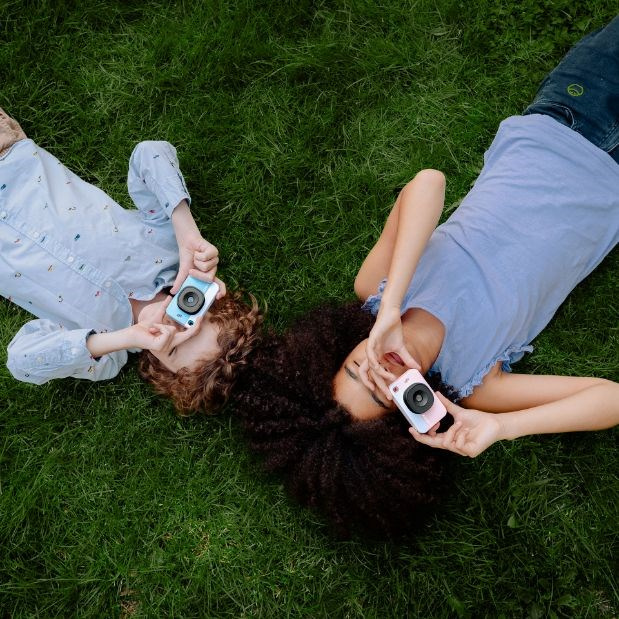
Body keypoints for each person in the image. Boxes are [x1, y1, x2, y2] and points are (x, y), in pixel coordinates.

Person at [234, 17, 619, 537]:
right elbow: (610, 398)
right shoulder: (478, 383)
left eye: (358, 370)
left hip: (566, 117)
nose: (382, 373)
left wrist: (392, 308)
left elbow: (429, 184)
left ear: (342, 350)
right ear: (412, 417)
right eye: (385, 397)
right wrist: (503, 427)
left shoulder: (377, 290)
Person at [0, 109, 261, 413]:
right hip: (10, 163)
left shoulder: (105, 353)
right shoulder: (168, 248)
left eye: (172, 347)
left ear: (159, 367)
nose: (171, 325)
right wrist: (186, 229)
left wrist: (123, 338)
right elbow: (149, 154)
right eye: (192, 322)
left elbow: (22, 360)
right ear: (211, 301)